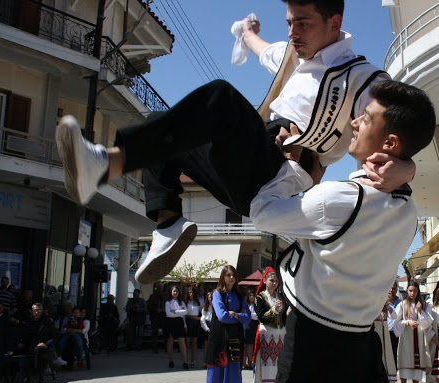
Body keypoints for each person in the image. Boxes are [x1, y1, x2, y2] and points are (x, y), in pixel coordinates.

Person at [55, 0, 416, 288]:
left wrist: (408, 165)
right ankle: (168, 225)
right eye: (289, 22)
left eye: (302, 23)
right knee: (160, 127)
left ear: (334, 23)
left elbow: (399, 121)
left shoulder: (359, 76)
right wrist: (247, 33)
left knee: (221, 98)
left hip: (283, 176)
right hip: (249, 171)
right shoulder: (293, 55)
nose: (292, 32)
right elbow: (262, 49)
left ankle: (106, 164)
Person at [249, 80, 435, 383]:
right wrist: (406, 167)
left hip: (311, 342)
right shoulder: (407, 212)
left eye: (365, 117)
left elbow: (262, 212)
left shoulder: (339, 198)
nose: (354, 122)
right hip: (358, 348)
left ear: (390, 142)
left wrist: (290, 168)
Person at [205, 265, 250, 383]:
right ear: (223, 277)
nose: (231, 278)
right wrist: (239, 317)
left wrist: (236, 315)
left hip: (234, 339)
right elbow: (222, 316)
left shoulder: (238, 295)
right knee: (216, 371)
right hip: (219, 339)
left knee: (227, 373)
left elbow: (248, 316)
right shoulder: (218, 294)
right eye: (228, 275)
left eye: (233, 275)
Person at [391, 282, 433, 383]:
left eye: (415, 291)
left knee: (416, 368)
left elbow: (427, 322)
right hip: (407, 338)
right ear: (407, 292)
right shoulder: (403, 305)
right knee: (405, 366)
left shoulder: (422, 305)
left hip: (419, 337)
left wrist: (420, 312)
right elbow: (396, 321)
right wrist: (407, 322)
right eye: (410, 291)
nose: (412, 293)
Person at [253, 268, 287, 383]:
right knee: (265, 369)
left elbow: (284, 318)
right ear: (265, 281)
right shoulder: (260, 297)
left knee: (278, 369)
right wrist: (275, 309)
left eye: (276, 280)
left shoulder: (280, 296)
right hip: (266, 337)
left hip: (279, 337)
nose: (274, 283)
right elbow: (261, 316)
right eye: (271, 280)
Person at [26, 303, 56, 383]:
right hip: (29, 345)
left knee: (38, 350)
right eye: (35, 310)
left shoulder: (47, 322)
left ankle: (39, 377)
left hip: (42, 346)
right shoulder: (28, 322)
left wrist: (46, 344)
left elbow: (54, 336)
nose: (37, 313)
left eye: (39, 310)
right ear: (31, 311)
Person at [383, 281, 402, 383]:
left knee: (392, 361)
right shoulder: (381, 301)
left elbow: (397, 317)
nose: (391, 290)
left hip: (394, 334)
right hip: (383, 332)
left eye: (394, 288)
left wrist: (389, 307)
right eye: (390, 288)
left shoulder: (400, 302)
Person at [165, 284, 189, 370]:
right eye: (174, 291)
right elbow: (168, 314)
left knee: (182, 342)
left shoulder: (181, 302)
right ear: (171, 292)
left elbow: (185, 312)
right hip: (171, 323)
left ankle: (185, 361)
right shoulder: (168, 302)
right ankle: (171, 360)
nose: (175, 293)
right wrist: (179, 312)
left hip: (179, 323)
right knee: (170, 341)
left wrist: (175, 311)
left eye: (177, 291)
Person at [184, 286, 202, 368]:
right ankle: (186, 360)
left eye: (192, 292)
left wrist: (200, 318)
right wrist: (184, 325)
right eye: (189, 292)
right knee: (187, 343)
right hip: (188, 321)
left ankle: (193, 360)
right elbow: (183, 315)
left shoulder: (198, 302)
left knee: (194, 342)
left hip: (195, 322)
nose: (191, 294)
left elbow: (204, 310)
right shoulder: (185, 302)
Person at [147, 283, 166, 353]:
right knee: (155, 333)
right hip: (155, 316)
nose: (160, 288)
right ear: (157, 288)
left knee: (165, 332)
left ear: (163, 288)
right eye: (159, 287)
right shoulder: (152, 296)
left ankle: (166, 347)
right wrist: (156, 309)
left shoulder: (165, 296)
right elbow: (149, 306)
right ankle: (155, 348)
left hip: (164, 316)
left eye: (161, 287)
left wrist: (165, 310)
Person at [244, 290, 259, 370]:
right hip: (248, 325)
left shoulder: (256, 305)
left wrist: (250, 315)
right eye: (250, 295)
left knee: (255, 344)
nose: (251, 297)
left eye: (253, 295)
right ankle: (249, 362)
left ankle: (253, 361)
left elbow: (257, 316)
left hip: (255, 324)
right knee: (249, 344)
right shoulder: (246, 305)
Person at [200, 291, 213, 369]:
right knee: (206, 345)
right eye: (209, 297)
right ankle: (206, 361)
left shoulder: (216, 307)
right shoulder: (205, 307)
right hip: (207, 326)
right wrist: (206, 328)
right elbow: (202, 319)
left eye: (211, 297)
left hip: (214, 325)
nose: (210, 299)